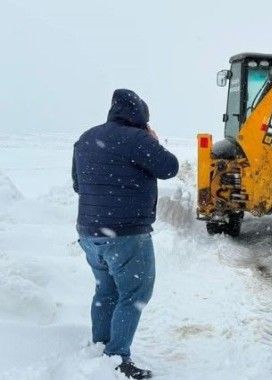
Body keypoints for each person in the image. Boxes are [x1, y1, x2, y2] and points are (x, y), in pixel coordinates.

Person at [72, 89, 179, 379]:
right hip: (126, 234)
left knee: (105, 290)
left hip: (89, 233)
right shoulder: (138, 139)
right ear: (141, 115)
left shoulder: (85, 138)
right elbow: (170, 168)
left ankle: (101, 347)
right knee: (134, 294)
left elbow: (77, 185)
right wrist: (153, 141)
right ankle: (118, 357)